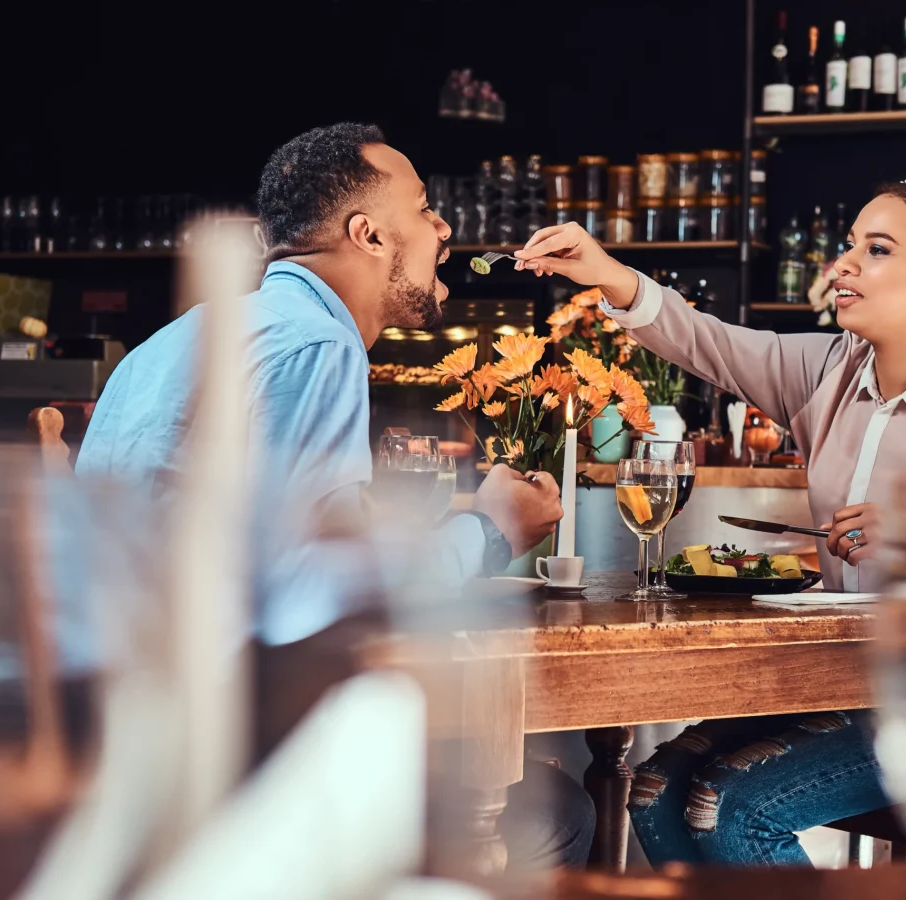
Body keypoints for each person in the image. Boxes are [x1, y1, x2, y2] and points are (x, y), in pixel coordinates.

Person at [513, 178, 906, 867]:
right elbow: (704, 341)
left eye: (877, 250)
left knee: (731, 808)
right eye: (847, 247)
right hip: (830, 674)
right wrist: (604, 272)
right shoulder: (825, 372)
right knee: (654, 791)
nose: (843, 265)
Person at [75, 123, 593, 869]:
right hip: (214, 762)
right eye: (424, 208)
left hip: (114, 742)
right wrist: (489, 532)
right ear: (370, 235)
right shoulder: (320, 345)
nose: (444, 227)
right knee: (555, 810)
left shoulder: (182, 337)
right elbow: (299, 594)